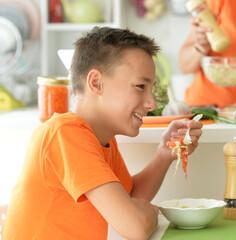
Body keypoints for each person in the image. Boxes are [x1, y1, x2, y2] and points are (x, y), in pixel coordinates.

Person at [2, 27, 203, 239]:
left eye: (151, 88)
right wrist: (151, 214)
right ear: (96, 83)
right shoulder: (65, 134)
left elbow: (128, 197)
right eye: (140, 86)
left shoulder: (101, 139)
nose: (151, 102)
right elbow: (135, 226)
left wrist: (165, 153)